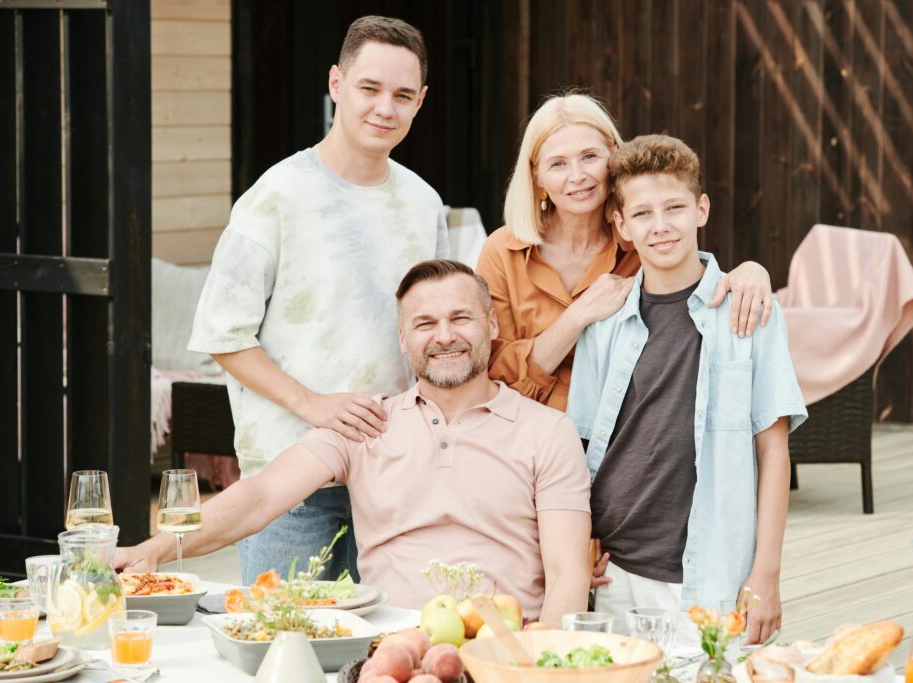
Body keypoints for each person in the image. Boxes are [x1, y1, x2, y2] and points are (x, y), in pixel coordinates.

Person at [120, 260, 593, 626]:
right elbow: (259, 497)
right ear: (403, 339)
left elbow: (567, 572)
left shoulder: (547, 431)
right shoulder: (365, 423)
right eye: (425, 324)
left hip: (502, 648)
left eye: (461, 318)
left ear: (491, 325)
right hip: (386, 652)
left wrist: (539, 662)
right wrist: (157, 549)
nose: (445, 336)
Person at [187, 16, 448, 585]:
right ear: (336, 84)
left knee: (390, 637)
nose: (385, 108)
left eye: (403, 95)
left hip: (389, 476)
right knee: (286, 635)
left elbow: (435, 335)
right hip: (287, 482)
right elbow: (223, 335)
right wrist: (312, 404)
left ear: (421, 101)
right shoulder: (275, 197)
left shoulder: (424, 203)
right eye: (369, 88)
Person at [566, 134, 807, 643]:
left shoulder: (750, 311)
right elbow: (580, 445)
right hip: (616, 570)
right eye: (643, 213)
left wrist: (766, 573)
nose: (660, 226)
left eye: (674, 207)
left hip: (713, 575)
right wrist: (577, 545)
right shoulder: (604, 321)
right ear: (622, 225)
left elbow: (773, 450)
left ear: (701, 209)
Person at [476, 93, 774, 414]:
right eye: (558, 164)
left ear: (613, 157)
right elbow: (491, 371)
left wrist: (750, 271)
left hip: (624, 428)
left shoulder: (640, 239)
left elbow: (694, 293)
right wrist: (577, 317)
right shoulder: (502, 251)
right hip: (526, 427)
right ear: (537, 177)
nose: (577, 176)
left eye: (589, 156)